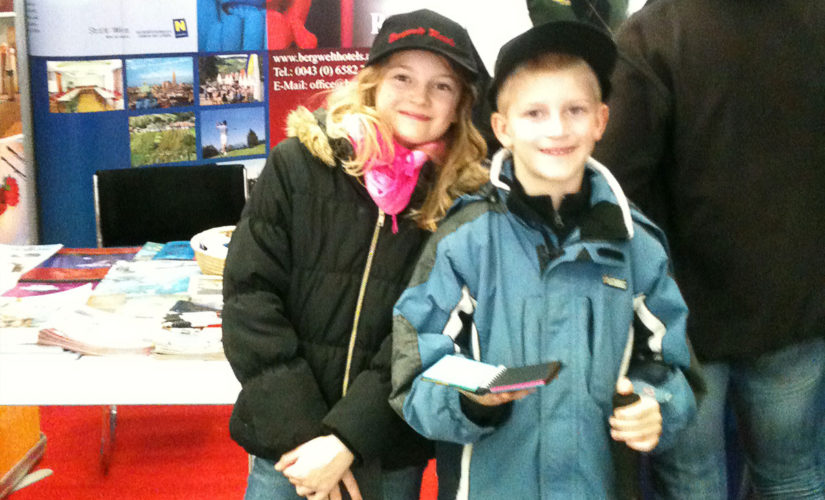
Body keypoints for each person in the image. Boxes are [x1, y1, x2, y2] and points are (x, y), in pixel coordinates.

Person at [389, 20, 700, 499]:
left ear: (600, 120)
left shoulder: (637, 244)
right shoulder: (464, 243)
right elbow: (414, 372)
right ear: (502, 128)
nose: (557, 129)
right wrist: (472, 402)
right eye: (534, 113)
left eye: (574, 110)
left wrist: (654, 402)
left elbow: (670, 365)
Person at [221, 9, 490, 500]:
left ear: (461, 104)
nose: (420, 97)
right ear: (371, 82)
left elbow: (430, 335)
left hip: (385, 452)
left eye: (442, 86)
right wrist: (307, 439)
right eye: (402, 76)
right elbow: (250, 296)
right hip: (287, 453)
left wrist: (349, 439)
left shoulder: (463, 206)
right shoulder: (299, 164)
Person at [592, 1, 825, 498]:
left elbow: (614, 184)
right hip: (795, 303)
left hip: (683, 318)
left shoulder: (655, 32)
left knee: (693, 486)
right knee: (793, 475)